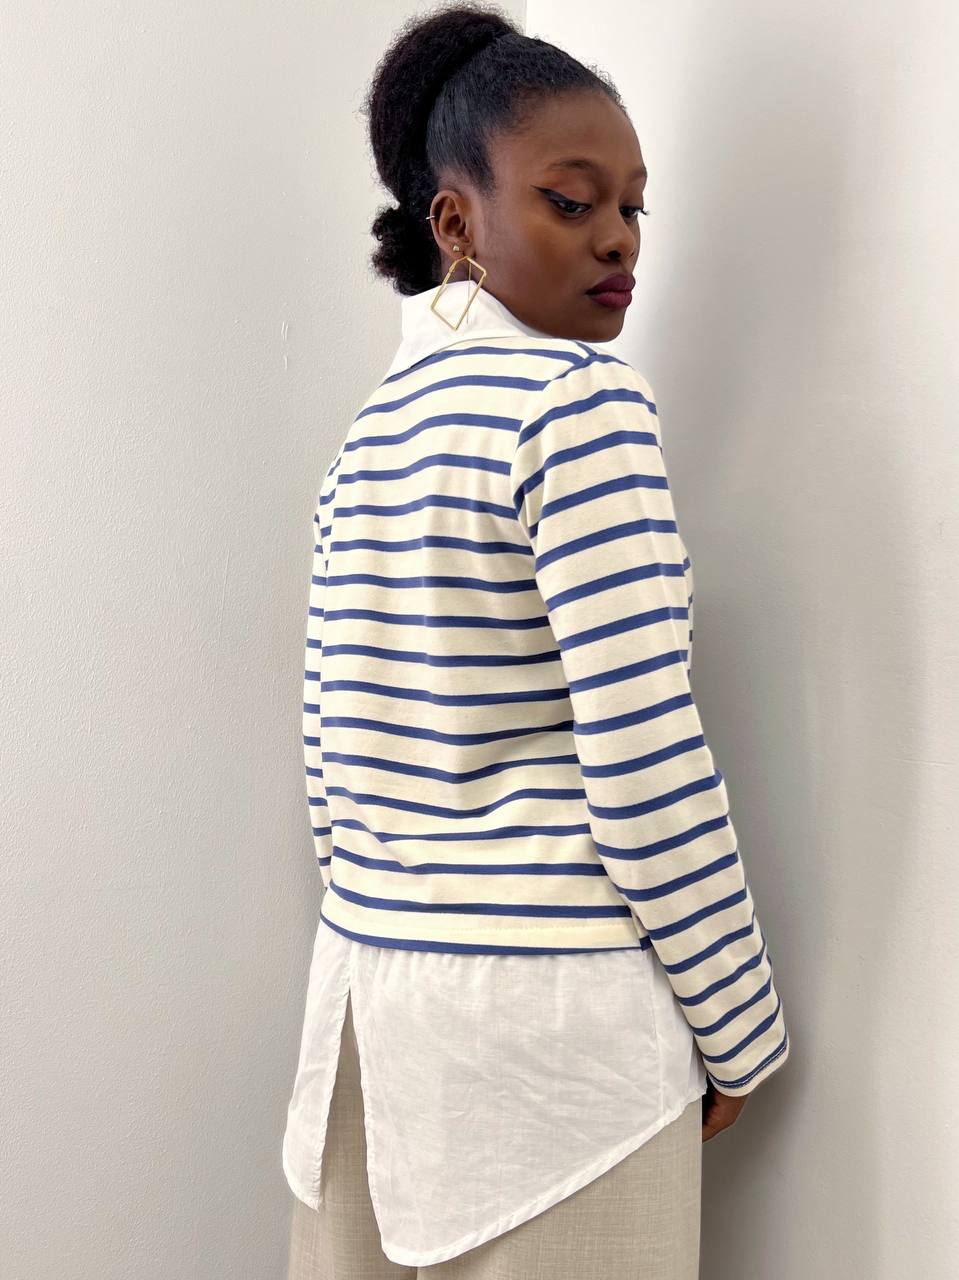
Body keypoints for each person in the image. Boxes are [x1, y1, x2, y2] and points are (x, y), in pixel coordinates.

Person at [283, 5, 790, 1277]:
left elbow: (330, 762)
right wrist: (737, 1024)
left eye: (632, 206)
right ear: (454, 223)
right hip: (553, 1057)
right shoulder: (577, 406)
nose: (616, 236)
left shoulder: (368, 438)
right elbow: (644, 763)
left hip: (365, 1029)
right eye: (571, 202)